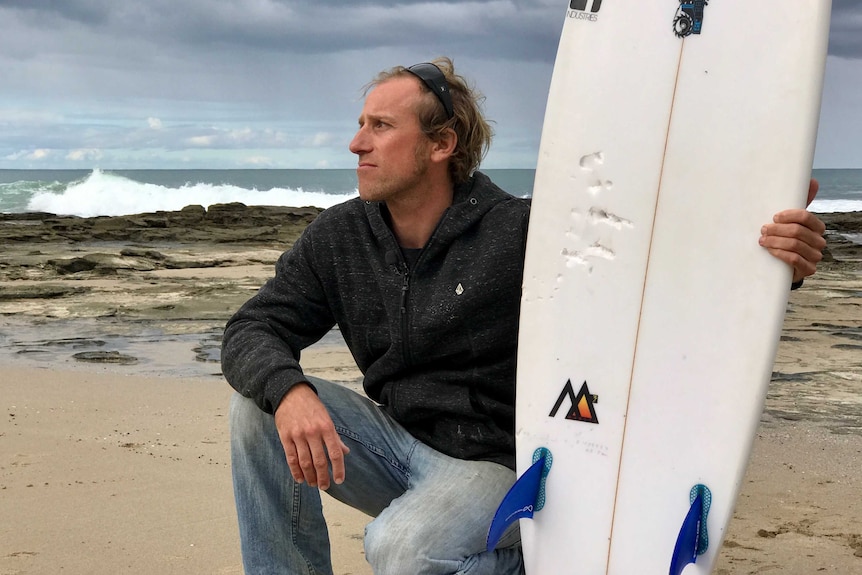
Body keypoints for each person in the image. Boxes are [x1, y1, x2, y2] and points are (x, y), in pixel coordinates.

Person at [221, 57, 827, 575]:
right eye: (360, 125)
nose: (357, 143)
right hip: (398, 446)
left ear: (441, 144)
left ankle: (519, 558)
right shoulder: (341, 237)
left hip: (498, 468)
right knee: (257, 405)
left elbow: (650, 285)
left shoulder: (522, 233)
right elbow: (252, 328)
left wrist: (771, 269)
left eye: (380, 126)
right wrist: (290, 390)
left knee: (397, 546)